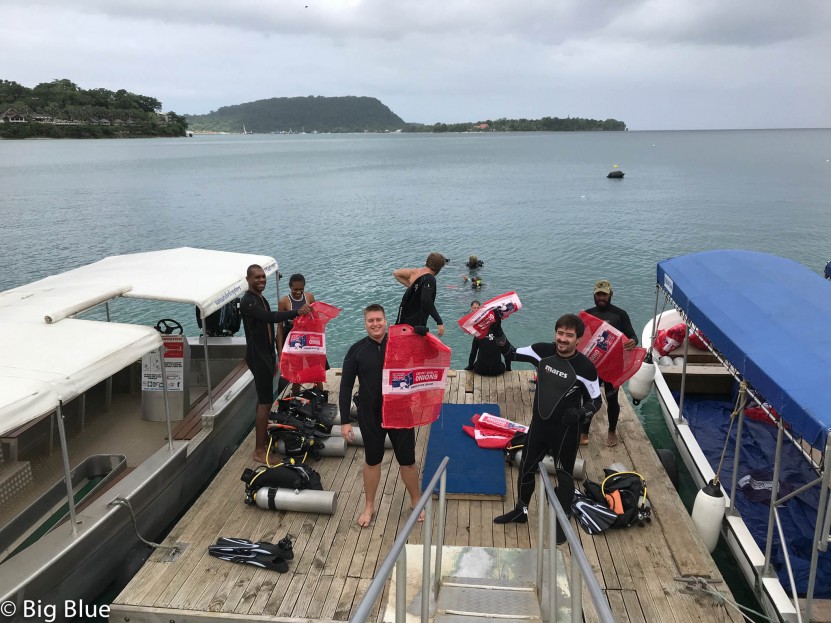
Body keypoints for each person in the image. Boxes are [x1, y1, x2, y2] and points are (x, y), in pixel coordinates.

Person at [492, 313, 601, 534]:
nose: (563, 339)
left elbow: (596, 401)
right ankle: (521, 511)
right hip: (539, 427)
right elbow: (510, 352)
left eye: (569, 335)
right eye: (560, 333)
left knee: (564, 478)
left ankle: (562, 522)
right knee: (525, 469)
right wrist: (497, 330)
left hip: (565, 432)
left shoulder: (585, 367)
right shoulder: (542, 352)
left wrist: (581, 413)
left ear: (578, 339)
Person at [339, 304, 427, 528]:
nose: (375, 324)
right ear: (365, 323)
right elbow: (345, 388)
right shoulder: (356, 351)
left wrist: (422, 335)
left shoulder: (400, 344)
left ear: (386, 321)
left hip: (400, 412)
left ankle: (416, 501)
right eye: (371, 320)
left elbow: (428, 356)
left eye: (379, 319)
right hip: (370, 415)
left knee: (407, 461)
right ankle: (369, 505)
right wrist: (345, 422)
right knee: (372, 460)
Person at [240, 264, 311, 464]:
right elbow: (270, 318)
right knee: (265, 403)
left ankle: (261, 439)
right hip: (257, 356)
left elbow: (268, 330)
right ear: (248, 279)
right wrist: (295, 313)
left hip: (265, 355)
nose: (261, 280)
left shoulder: (260, 298)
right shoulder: (248, 301)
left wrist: (274, 356)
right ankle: (259, 451)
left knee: (264, 400)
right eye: (257, 277)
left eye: (263, 277)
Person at [581, 279, 638, 448]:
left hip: (613, 366)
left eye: (604, 294)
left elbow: (633, 336)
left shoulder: (620, 314)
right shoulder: (588, 315)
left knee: (612, 399)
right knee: (589, 397)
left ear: (610, 295)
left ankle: (612, 430)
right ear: (594, 295)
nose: (601, 298)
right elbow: (580, 339)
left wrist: (633, 342)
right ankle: (584, 431)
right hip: (594, 364)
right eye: (598, 294)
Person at [276, 273, 325, 395]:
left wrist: (320, 343)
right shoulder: (284, 302)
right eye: (295, 290)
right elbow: (280, 328)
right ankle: (296, 399)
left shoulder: (309, 297)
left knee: (316, 370)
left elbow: (317, 320)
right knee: (296, 375)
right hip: (295, 342)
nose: (298, 292)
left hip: (309, 339)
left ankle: (321, 398)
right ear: (289, 287)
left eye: (301, 289)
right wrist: (281, 351)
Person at [393, 252, 447, 337]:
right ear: (439, 268)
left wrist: (412, 287)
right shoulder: (430, 279)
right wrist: (439, 322)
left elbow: (396, 273)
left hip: (403, 316)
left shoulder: (415, 272)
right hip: (415, 322)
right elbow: (426, 300)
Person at [465, 300, 512, 376]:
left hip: (481, 370)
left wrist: (469, 367)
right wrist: (508, 369)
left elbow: (473, 353)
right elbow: (507, 354)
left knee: (477, 361)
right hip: (498, 371)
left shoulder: (479, 333)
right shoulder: (500, 334)